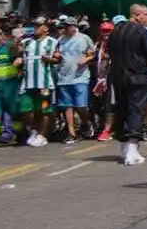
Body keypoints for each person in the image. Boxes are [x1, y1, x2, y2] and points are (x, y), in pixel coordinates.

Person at [100, 5, 147, 166]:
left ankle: (125, 147)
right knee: (136, 110)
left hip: (118, 77)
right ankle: (132, 148)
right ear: (136, 16)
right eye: (146, 14)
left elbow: (108, 55)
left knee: (122, 108)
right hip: (137, 76)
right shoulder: (141, 31)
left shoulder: (114, 32)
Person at [19, 16, 60, 148]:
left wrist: (50, 60)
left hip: (45, 82)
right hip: (27, 82)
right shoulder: (25, 42)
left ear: (46, 28)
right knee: (25, 109)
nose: (35, 28)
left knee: (44, 109)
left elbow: (58, 58)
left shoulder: (53, 42)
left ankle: (42, 135)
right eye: (35, 25)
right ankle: (34, 130)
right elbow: (19, 58)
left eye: (39, 25)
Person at [54, 19, 95, 146]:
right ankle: (72, 133)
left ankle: (86, 122)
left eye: (66, 27)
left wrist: (86, 59)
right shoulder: (60, 40)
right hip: (64, 77)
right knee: (67, 106)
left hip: (80, 77)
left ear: (74, 27)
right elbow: (57, 55)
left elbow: (93, 54)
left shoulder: (84, 38)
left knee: (81, 105)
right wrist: (56, 55)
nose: (64, 29)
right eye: (63, 27)